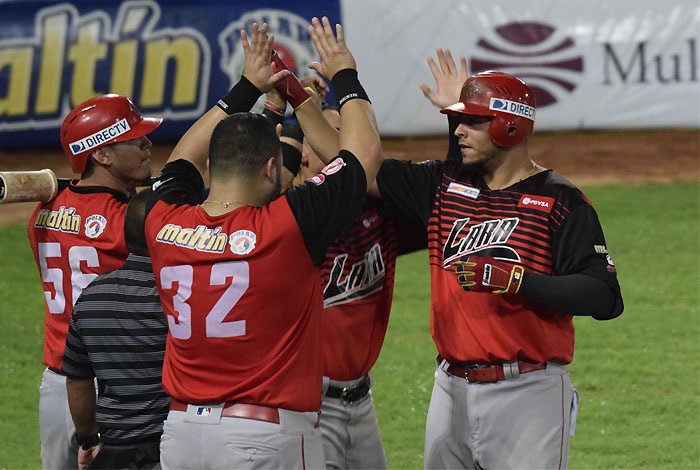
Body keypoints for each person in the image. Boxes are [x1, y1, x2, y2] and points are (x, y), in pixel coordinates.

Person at [143, 18, 382, 469]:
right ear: (272, 170)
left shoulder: (163, 221)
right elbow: (363, 157)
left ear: (211, 167)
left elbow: (179, 161)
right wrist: (342, 76)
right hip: (262, 436)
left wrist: (245, 89)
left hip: (181, 435)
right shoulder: (289, 224)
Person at [369, 50, 625, 469]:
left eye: (472, 122)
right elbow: (361, 169)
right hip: (449, 388)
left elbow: (604, 295)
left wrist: (517, 279)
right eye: (459, 121)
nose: (459, 131)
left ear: (509, 125)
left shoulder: (560, 201)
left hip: (528, 392)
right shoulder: (444, 185)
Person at [289, 101, 427, 469]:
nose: (347, 149)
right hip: (307, 406)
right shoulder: (290, 223)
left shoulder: (381, 215)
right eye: (332, 138)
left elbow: (433, 197)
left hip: (361, 403)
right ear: (303, 159)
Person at [28, 93, 162, 469]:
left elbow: (81, 211)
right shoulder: (128, 224)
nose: (148, 143)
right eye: (135, 139)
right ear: (101, 155)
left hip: (57, 387)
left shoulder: (41, 212)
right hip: (118, 389)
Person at [61, 188, 168, 470]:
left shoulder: (92, 296)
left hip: (113, 452)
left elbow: (78, 381)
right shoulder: (178, 297)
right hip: (170, 448)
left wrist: (87, 439)